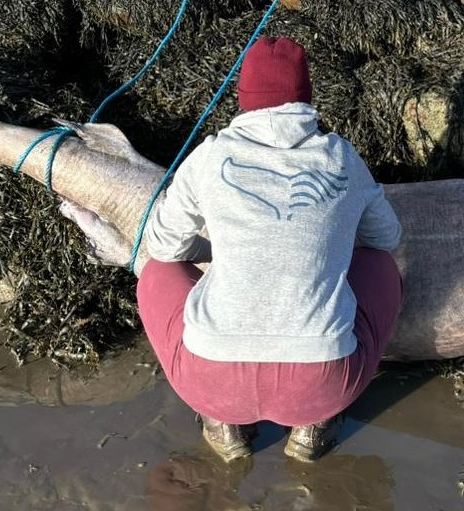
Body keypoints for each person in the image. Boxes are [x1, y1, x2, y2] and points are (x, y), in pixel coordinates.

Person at [137, 35, 403, 463]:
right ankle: (313, 430)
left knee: (156, 272)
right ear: (306, 99)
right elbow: (385, 239)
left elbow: (163, 246)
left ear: (244, 99)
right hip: (321, 386)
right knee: (383, 266)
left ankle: (223, 427)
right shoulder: (341, 157)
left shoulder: (209, 157)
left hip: (212, 381)